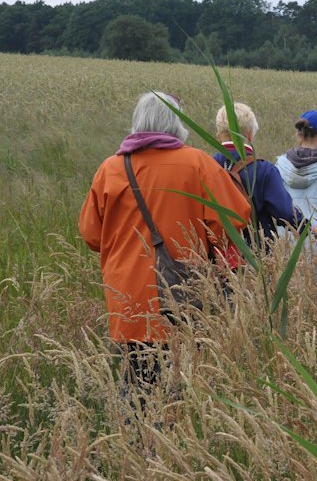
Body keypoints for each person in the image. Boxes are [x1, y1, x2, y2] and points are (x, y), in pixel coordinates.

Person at [78, 92, 252, 402]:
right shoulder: (196, 163)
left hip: (128, 297)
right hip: (182, 292)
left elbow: (91, 235)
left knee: (137, 384)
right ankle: (177, 441)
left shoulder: (111, 169)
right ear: (177, 123)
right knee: (183, 383)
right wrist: (206, 242)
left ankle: (136, 444)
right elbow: (235, 219)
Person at [212, 103, 305, 248]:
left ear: (218, 134)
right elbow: (285, 212)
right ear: (250, 135)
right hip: (256, 252)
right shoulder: (264, 169)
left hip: (216, 253)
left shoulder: (206, 165)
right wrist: (306, 225)